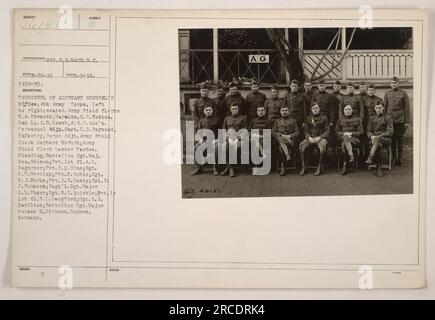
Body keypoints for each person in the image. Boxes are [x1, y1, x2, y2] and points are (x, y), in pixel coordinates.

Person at [384, 76, 411, 166]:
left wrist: (407, 121)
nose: (394, 84)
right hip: (390, 120)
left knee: (399, 139)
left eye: (395, 83)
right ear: (390, 84)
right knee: (392, 140)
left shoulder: (403, 94)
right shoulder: (387, 94)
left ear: (398, 84)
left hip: (400, 120)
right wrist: (384, 120)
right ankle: (393, 158)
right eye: (392, 83)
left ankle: (399, 158)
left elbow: (407, 108)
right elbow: (385, 108)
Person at [299, 103, 330, 176]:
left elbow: (327, 130)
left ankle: (319, 167)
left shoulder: (324, 118)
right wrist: (309, 137)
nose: (315, 110)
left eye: (316, 108)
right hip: (311, 138)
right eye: (313, 108)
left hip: (321, 137)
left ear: (319, 109)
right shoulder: (308, 118)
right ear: (311, 110)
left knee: (322, 148)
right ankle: (304, 167)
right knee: (302, 145)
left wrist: (320, 137)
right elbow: (306, 130)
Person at [190, 106, 221, 176]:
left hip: (214, 140)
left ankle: (215, 168)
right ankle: (199, 168)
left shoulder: (217, 119)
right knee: (196, 147)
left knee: (216, 148)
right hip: (205, 141)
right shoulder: (202, 120)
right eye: (206, 110)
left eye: (210, 110)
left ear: (212, 111)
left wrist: (217, 139)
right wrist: (200, 139)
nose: (208, 111)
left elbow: (221, 131)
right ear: (204, 112)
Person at [365, 103, 393, 177]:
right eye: (376, 108)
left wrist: (379, 136)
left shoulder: (388, 117)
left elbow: (390, 131)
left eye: (380, 107)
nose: (378, 109)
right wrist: (372, 136)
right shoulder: (372, 118)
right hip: (374, 139)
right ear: (374, 109)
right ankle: (379, 167)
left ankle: (370, 157)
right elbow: (368, 131)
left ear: (383, 108)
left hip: (385, 139)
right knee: (378, 144)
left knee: (378, 141)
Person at [221, 102, 248, 177]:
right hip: (229, 139)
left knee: (237, 147)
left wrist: (238, 137)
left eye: (236, 109)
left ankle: (228, 168)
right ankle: (230, 167)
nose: (234, 110)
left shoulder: (243, 118)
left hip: (239, 139)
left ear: (238, 109)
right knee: (224, 147)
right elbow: (223, 130)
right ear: (230, 109)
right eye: (233, 109)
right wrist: (226, 137)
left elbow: (245, 130)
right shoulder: (227, 118)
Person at [335, 104, 363, 175]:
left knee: (344, 143)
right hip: (343, 138)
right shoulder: (340, 120)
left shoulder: (357, 119)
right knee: (345, 140)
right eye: (346, 109)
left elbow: (361, 132)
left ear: (352, 111)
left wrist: (350, 133)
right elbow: (336, 131)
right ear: (343, 111)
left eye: (349, 109)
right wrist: (344, 134)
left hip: (354, 140)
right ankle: (350, 157)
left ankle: (345, 164)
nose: (347, 111)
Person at [272, 105, 300, 176]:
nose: (284, 112)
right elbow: (273, 132)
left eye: (285, 110)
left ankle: (283, 166)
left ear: (288, 111)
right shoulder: (277, 121)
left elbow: (297, 132)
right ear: (280, 112)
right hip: (280, 140)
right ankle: (284, 163)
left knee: (281, 145)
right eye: (283, 110)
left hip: (291, 140)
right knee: (280, 141)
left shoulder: (293, 120)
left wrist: (290, 136)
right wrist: (282, 136)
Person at [250, 104, 273, 174]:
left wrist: (262, 136)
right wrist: (254, 135)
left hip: (265, 138)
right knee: (254, 143)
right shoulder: (253, 121)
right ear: (257, 112)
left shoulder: (268, 121)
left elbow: (271, 132)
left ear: (265, 112)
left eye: (262, 110)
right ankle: (257, 165)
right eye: (259, 110)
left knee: (257, 145)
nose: (260, 112)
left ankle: (258, 166)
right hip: (254, 138)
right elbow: (249, 131)